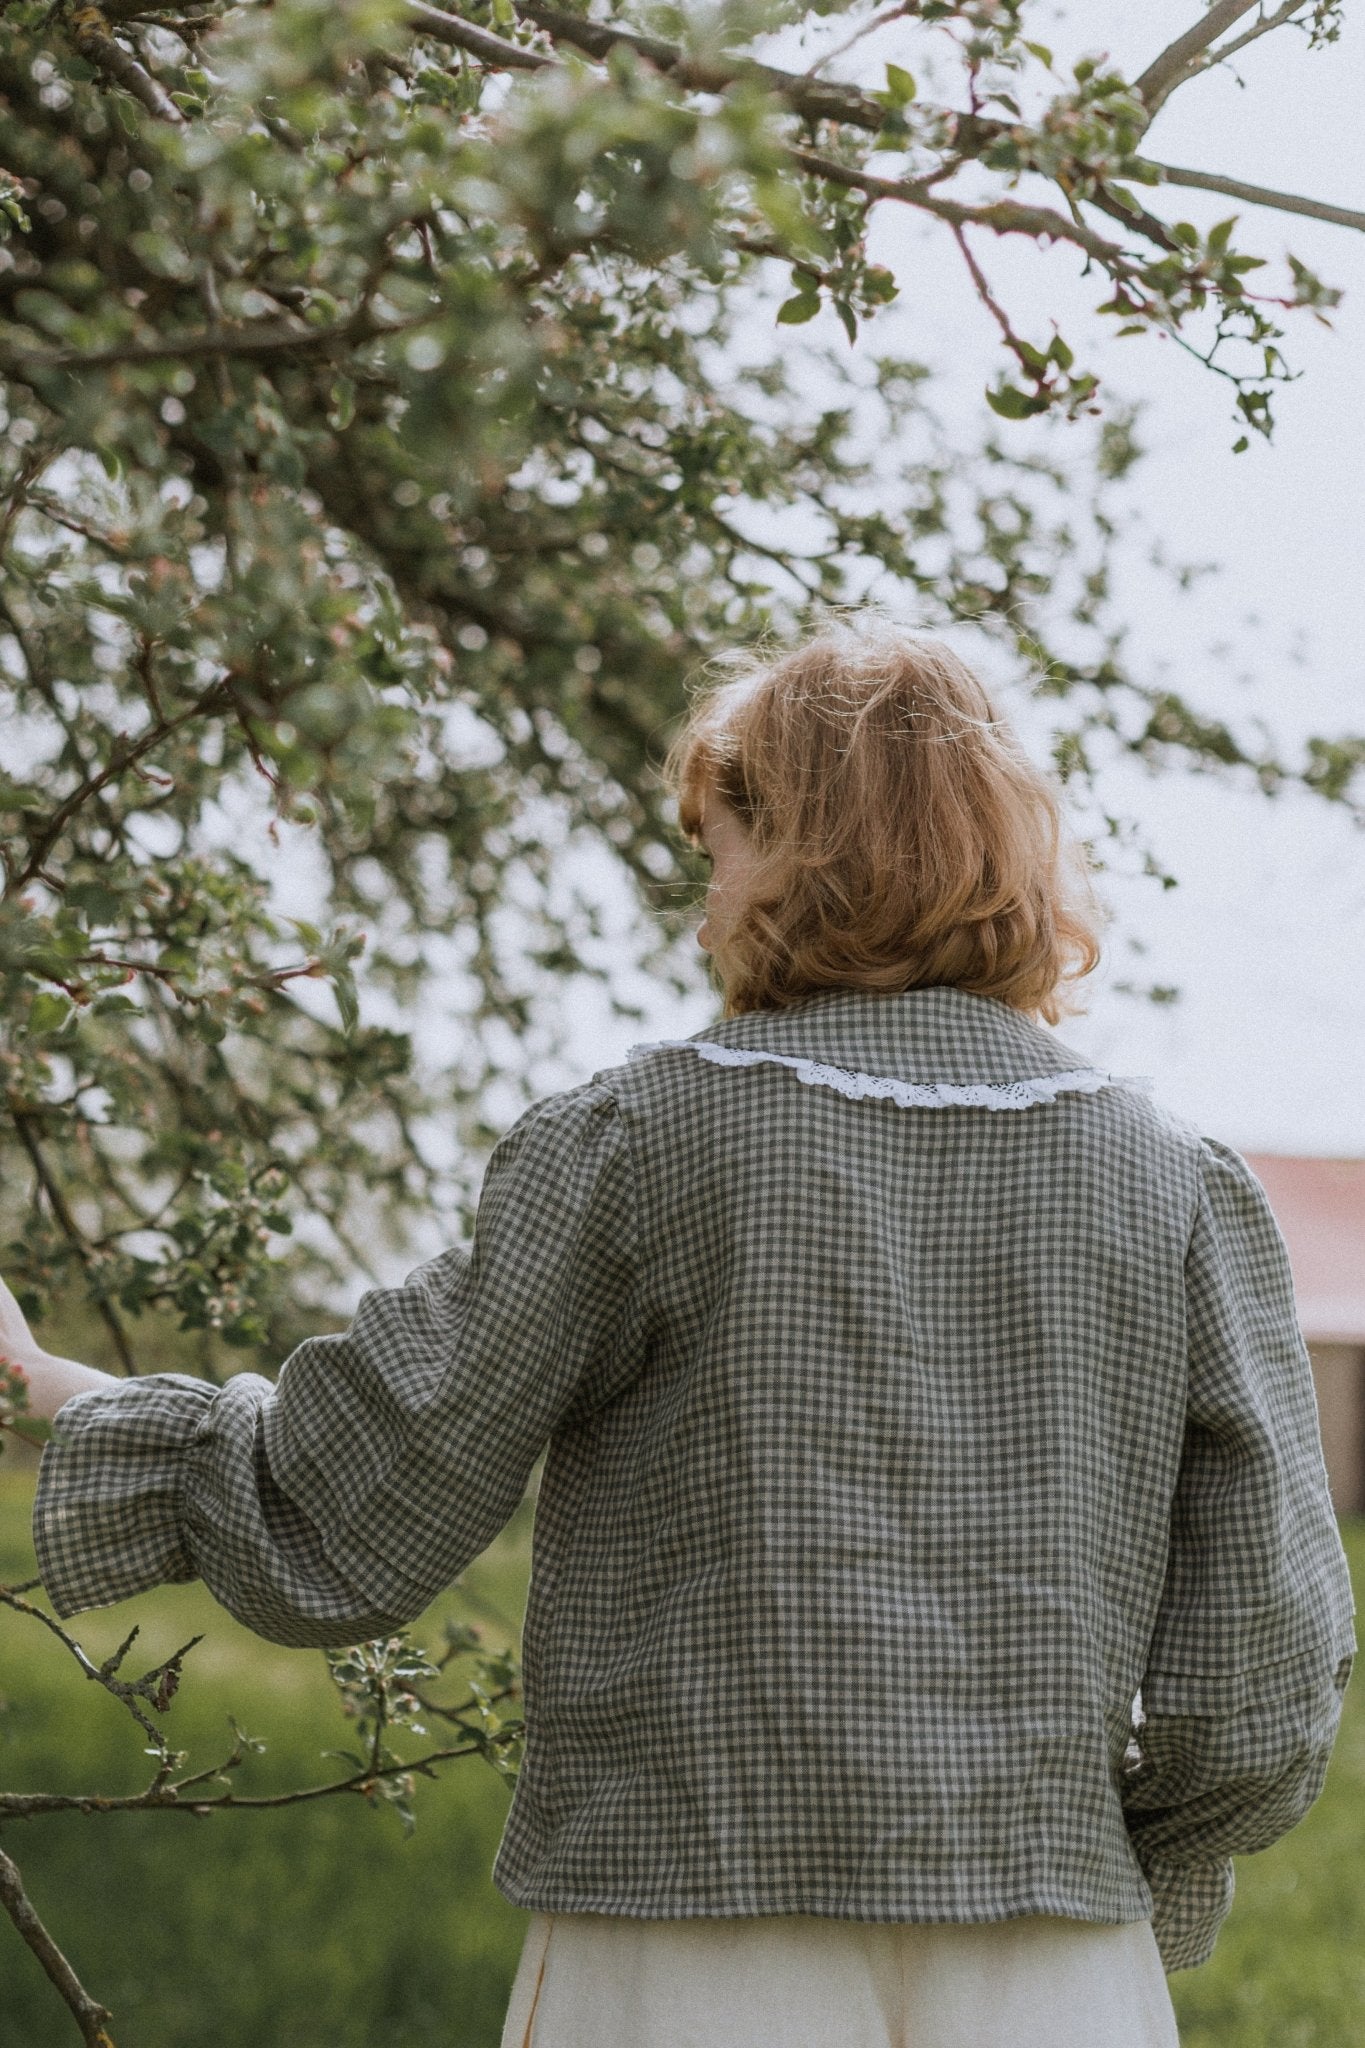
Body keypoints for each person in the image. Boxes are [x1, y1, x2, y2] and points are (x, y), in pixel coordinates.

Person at [6, 622, 1355, 2048]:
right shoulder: (1175, 1182)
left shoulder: (642, 1140)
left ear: (795, 853)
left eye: (714, 846)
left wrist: (55, 1389)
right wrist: (1102, 1849)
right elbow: (1261, 1665)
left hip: (690, 1943)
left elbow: (360, 1494)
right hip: (1051, 1961)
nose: (703, 903)